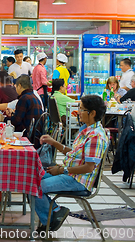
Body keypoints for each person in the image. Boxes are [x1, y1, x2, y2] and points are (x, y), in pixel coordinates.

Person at [36, 95, 108, 232]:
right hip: (70, 175)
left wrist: (62, 170)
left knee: (36, 187)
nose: (78, 112)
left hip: (78, 180)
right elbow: (74, 153)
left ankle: (50, 219)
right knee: (32, 180)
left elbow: (88, 167)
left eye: (81, 109)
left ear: (92, 113)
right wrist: (53, 142)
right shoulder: (86, 131)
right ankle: (55, 211)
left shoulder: (96, 136)